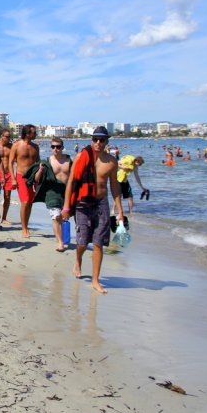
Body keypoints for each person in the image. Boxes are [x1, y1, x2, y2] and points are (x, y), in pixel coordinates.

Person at [62, 126, 123, 295]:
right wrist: (67, 207)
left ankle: (95, 280)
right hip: (82, 203)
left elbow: (115, 187)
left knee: (98, 243)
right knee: (82, 242)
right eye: (95, 139)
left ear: (106, 141)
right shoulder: (82, 156)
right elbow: (72, 182)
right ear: (91, 140)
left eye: (101, 140)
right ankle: (78, 260)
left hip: (101, 204)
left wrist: (120, 211)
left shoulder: (111, 161)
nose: (98, 142)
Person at [34, 136, 71, 252]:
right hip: (52, 192)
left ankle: (64, 238)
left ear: (62, 147)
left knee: (64, 217)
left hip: (66, 191)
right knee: (56, 217)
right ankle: (60, 242)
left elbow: (75, 177)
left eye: (58, 147)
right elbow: (36, 178)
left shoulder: (69, 160)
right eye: (53, 147)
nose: (55, 149)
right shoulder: (47, 161)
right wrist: (40, 170)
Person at [9, 124, 39, 238]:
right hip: (21, 176)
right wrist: (13, 178)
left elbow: (38, 163)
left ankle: (26, 224)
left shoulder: (36, 147)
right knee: (25, 202)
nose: (36, 134)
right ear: (27, 134)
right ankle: (24, 228)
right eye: (34, 132)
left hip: (33, 178)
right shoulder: (16, 145)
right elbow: (10, 162)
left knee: (30, 203)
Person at [0, 130, 14, 225]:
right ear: (1, 136)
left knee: (7, 196)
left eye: (9, 137)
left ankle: (4, 217)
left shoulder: (12, 147)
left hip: (8, 173)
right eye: (6, 136)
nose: (8, 139)